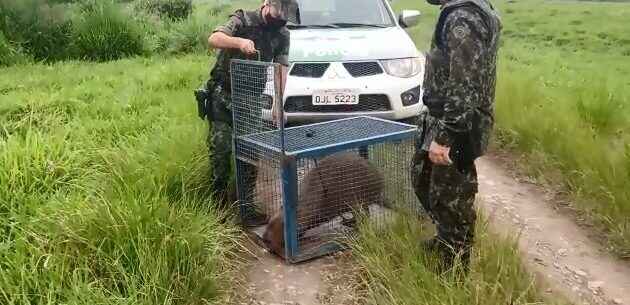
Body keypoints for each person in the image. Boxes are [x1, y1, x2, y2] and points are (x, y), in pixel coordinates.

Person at [411, 0, 502, 271]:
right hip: (448, 119)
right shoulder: (463, 12)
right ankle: (445, 241)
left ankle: (454, 268)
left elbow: (465, 83)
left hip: (458, 126)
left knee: (451, 198)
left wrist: (446, 136)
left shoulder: (464, 18)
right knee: (425, 180)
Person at [196, 0, 292, 208]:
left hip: (251, 99)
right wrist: (239, 42)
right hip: (224, 95)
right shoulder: (243, 19)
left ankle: (246, 206)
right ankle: (219, 206)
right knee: (220, 153)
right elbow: (214, 38)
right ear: (266, 4)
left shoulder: (283, 34)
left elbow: (280, 69)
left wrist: (279, 104)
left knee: (250, 155)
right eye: (277, 13)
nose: (280, 18)